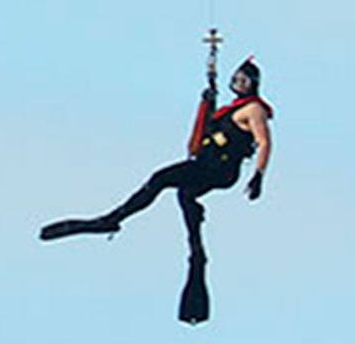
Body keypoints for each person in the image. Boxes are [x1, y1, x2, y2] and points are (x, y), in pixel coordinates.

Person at [39, 57, 274, 323]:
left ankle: (112, 220)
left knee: (160, 179)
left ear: (254, 84)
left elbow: (264, 142)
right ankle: (197, 254)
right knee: (184, 195)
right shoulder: (230, 110)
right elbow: (204, 135)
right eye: (237, 79)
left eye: (245, 81)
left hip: (218, 170)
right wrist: (207, 105)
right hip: (207, 165)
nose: (239, 84)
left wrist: (259, 175)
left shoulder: (254, 110)